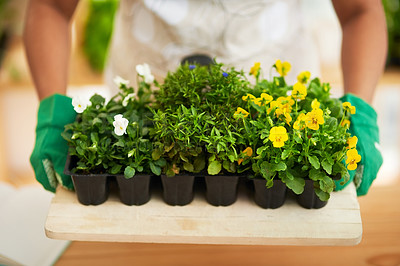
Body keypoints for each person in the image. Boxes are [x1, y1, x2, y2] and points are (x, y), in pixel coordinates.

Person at [24, 0, 387, 195]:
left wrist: (361, 110)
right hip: (145, 87)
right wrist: (53, 108)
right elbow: (51, 6)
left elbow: (361, 10)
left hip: (275, 90)